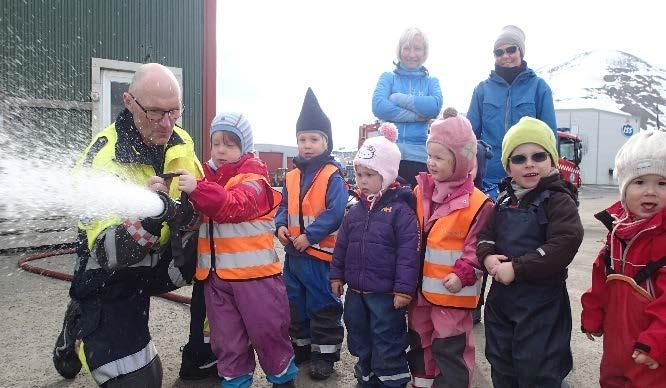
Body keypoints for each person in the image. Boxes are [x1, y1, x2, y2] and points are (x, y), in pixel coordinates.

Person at [51, 63, 205, 387]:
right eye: (156, 113)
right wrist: (147, 219)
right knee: (142, 381)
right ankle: (80, 321)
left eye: (175, 112)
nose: (168, 124)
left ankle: (205, 355)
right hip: (111, 274)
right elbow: (108, 253)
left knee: (223, 263)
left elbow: (202, 198)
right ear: (129, 102)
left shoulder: (181, 141)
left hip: (158, 261)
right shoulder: (102, 161)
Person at [176, 113, 298, 388]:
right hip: (217, 280)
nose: (221, 150)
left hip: (255, 279)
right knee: (226, 340)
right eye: (216, 143)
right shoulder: (205, 177)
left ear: (245, 147)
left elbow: (233, 205)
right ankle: (234, 381)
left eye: (230, 144)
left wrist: (197, 188)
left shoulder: (255, 179)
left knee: (268, 333)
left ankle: (283, 380)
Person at [477, 117, 583, 387]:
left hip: (542, 305)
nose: (529, 163)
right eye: (519, 158)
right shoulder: (501, 202)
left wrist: (518, 267)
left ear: (552, 160)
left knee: (539, 368)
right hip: (501, 301)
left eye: (538, 155)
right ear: (508, 166)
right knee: (501, 362)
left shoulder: (558, 199)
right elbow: (484, 237)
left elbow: (565, 242)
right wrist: (488, 257)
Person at [330, 123, 420, 388]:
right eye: (359, 174)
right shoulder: (355, 211)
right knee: (358, 337)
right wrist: (336, 275)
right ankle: (366, 378)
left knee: (387, 340)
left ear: (389, 175)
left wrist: (404, 290)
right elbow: (341, 246)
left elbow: (408, 253)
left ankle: (391, 381)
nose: (363, 181)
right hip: (357, 293)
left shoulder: (401, 211)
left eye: (370, 174)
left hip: (385, 296)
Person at [407, 113, 492, 388]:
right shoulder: (420, 192)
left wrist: (464, 273)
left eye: (440, 157)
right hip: (419, 294)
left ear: (461, 161)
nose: (431, 162)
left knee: (450, 349)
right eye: (429, 155)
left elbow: (479, 246)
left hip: (451, 295)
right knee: (420, 342)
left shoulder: (479, 203)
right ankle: (423, 384)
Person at [581, 130, 666, 387]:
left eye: (662, 183)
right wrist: (593, 313)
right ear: (624, 188)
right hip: (616, 346)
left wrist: (655, 342)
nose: (650, 191)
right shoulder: (617, 233)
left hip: (652, 352)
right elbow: (602, 276)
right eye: (639, 182)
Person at [275, 87, 348, 380]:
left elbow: (336, 212)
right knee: (295, 303)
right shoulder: (290, 176)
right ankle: (302, 347)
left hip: (319, 256)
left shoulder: (333, 175)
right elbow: (283, 206)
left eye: (314, 139)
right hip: (294, 255)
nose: (307, 145)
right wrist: (280, 226)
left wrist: (311, 236)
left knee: (323, 304)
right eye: (302, 139)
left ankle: (325, 355)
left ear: (326, 142)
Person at [466, 25, 557, 201]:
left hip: (528, 178)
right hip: (489, 180)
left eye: (511, 49)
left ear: (520, 52)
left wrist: (551, 174)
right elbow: (469, 136)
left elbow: (550, 136)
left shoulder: (539, 87)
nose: (505, 56)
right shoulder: (481, 90)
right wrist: (465, 169)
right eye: (499, 52)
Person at [372, 27, 443, 188]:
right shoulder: (388, 77)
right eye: (407, 48)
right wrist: (417, 116)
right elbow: (378, 106)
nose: (412, 54)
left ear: (424, 52)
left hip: (419, 157)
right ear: (400, 50)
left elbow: (434, 107)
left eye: (417, 48)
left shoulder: (431, 82)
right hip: (387, 154)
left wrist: (397, 98)